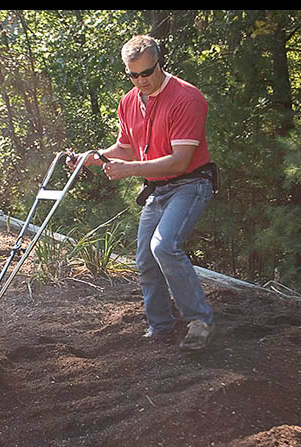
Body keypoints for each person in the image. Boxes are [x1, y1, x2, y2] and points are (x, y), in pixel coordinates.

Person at [69, 35, 215, 351]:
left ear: (159, 63)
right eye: (133, 75)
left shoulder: (186, 99)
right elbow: (124, 147)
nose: (141, 81)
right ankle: (161, 326)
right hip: (158, 188)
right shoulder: (129, 102)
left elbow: (181, 160)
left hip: (191, 184)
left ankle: (199, 321)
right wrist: (89, 158)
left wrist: (131, 169)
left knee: (165, 245)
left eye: (146, 73)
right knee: (146, 259)